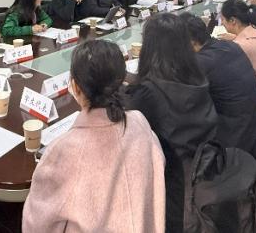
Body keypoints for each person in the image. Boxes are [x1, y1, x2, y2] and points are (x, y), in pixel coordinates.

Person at [23, 40, 165, 233]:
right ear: (121, 80)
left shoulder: (63, 150)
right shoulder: (140, 121)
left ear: (75, 86)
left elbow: (36, 224)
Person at [125, 13, 217, 232]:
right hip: (202, 168)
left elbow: (126, 127)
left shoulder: (149, 92)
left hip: (173, 185)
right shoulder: (196, 75)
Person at [180, 13, 256, 154]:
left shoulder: (200, 63)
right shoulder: (230, 46)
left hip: (236, 139)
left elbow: (186, 107)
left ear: (191, 42)